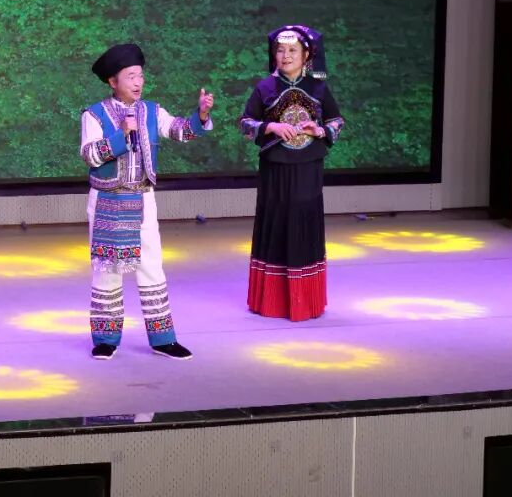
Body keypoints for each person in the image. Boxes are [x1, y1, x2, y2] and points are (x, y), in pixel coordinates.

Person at [80, 43, 214, 360]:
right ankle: (105, 340)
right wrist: (120, 135)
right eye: (130, 76)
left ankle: (163, 338)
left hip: (143, 198)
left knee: (152, 266)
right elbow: (89, 155)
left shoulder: (152, 111)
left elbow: (180, 131)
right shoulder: (94, 114)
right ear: (112, 81)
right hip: (108, 200)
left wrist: (201, 115)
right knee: (107, 268)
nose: (138, 82)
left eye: (140, 75)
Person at [239, 25, 344, 321]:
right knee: (276, 222)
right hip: (275, 169)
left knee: (304, 222)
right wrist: (270, 126)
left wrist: (319, 130)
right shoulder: (265, 88)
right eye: (280, 50)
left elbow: (337, 120)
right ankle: (271, 301)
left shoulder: (318, 88)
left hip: (308, 167)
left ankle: (305, 300)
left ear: (306, 55)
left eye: (292, 51)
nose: (285, 56)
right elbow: (245, 123)